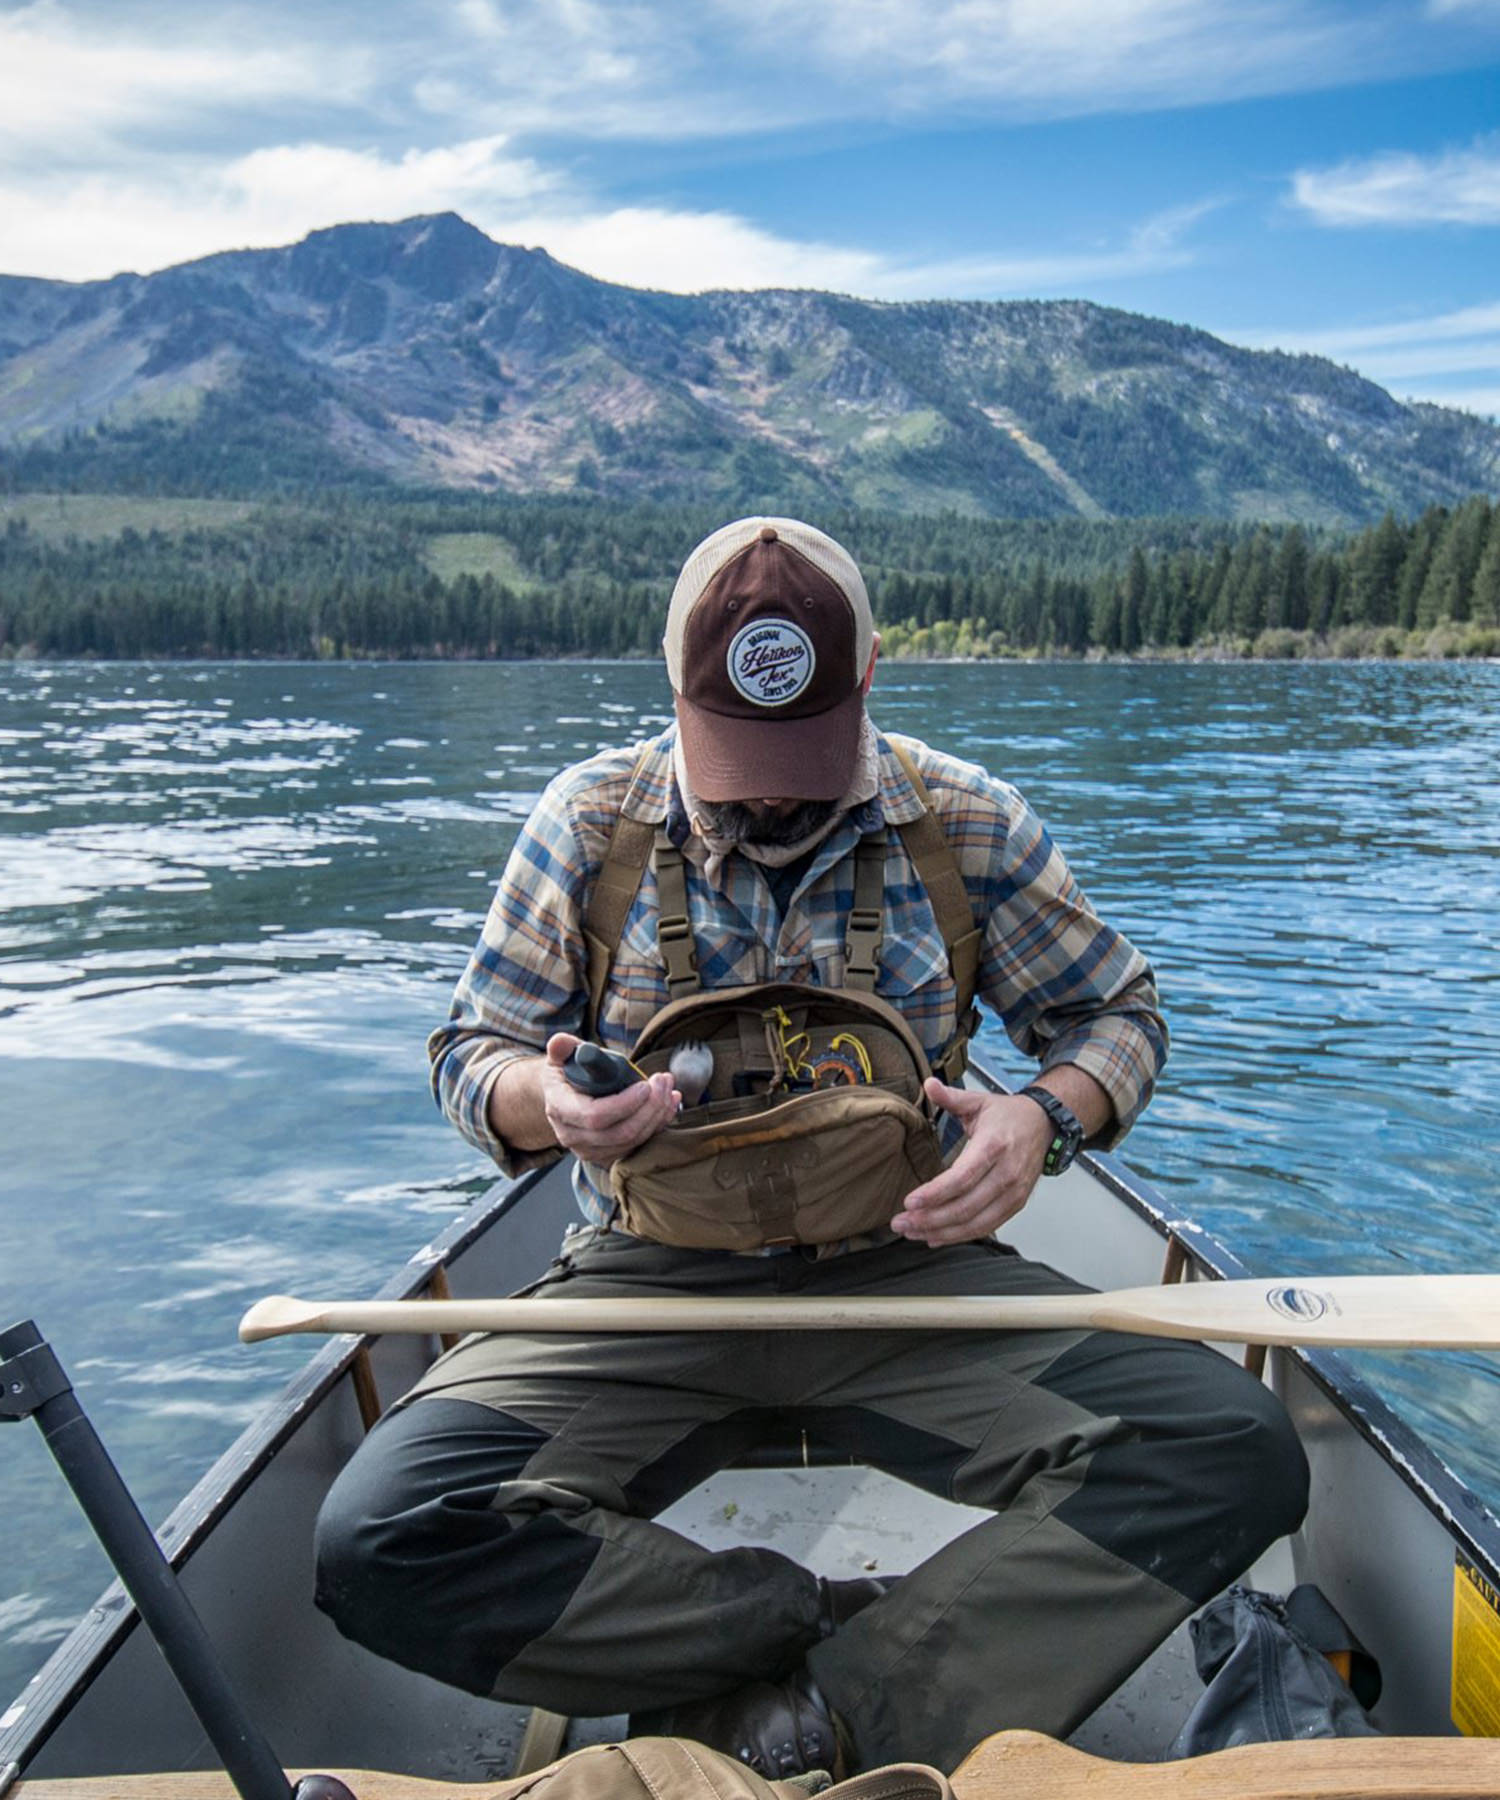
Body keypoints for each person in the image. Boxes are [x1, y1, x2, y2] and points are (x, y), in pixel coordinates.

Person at [314, 517, 1308, 1777]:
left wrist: (1040, 1116)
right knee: (380, 1535)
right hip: (643, 1290)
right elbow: (471, 1054)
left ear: (872, 675)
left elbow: (1117, 1014)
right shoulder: (588, 826)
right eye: (737, 760)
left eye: (802, 753)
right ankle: (802, 1624)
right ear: (668, 686)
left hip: (908, 1273)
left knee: (1233, 1450)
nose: (774, 793)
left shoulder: (966, 824)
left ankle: (840, 1717)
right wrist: (544, 1104)